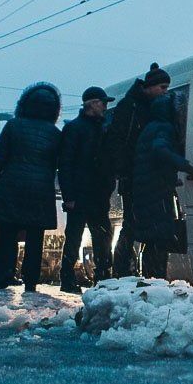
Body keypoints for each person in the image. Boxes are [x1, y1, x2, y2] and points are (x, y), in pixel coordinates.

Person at [0, 83, 63, 292]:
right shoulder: (55, 133)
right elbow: (59, 166)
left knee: (7, 234)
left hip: (11, 187)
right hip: (40, 190)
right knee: (35, 237)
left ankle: (3, 274)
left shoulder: (13, 126)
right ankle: (31, 280)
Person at [130, 93, 193, 279]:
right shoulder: (163, 128)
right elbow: (160, 151)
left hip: (147, 190)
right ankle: (156, 279)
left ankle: (150, 278)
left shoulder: (151, 127)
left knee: (152, 239)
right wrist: (188, 167)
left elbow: (151, 161)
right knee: (160, 238)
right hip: (156, 193)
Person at [106, 63, 171, 276]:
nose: (165, 92)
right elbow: (117, 141)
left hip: (148, 177)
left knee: (146, 226)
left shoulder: (146, 106)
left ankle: (144, 271)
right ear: (149, 87)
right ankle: (121, 270)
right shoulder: (130, 107)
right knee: (132, 225)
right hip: (134, 177)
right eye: (162, 87)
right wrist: (124, 171)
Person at [58, 86, 117, 293]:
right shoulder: (76, 128)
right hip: (83, 194)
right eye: (103, 103)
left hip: (97, 194)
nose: (105, 107)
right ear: (92, 104)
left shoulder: (98, 127)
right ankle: (68, 279)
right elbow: (65, 164)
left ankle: (101, 277)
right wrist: (69, 196)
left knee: (101, 236)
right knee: (77, 237)